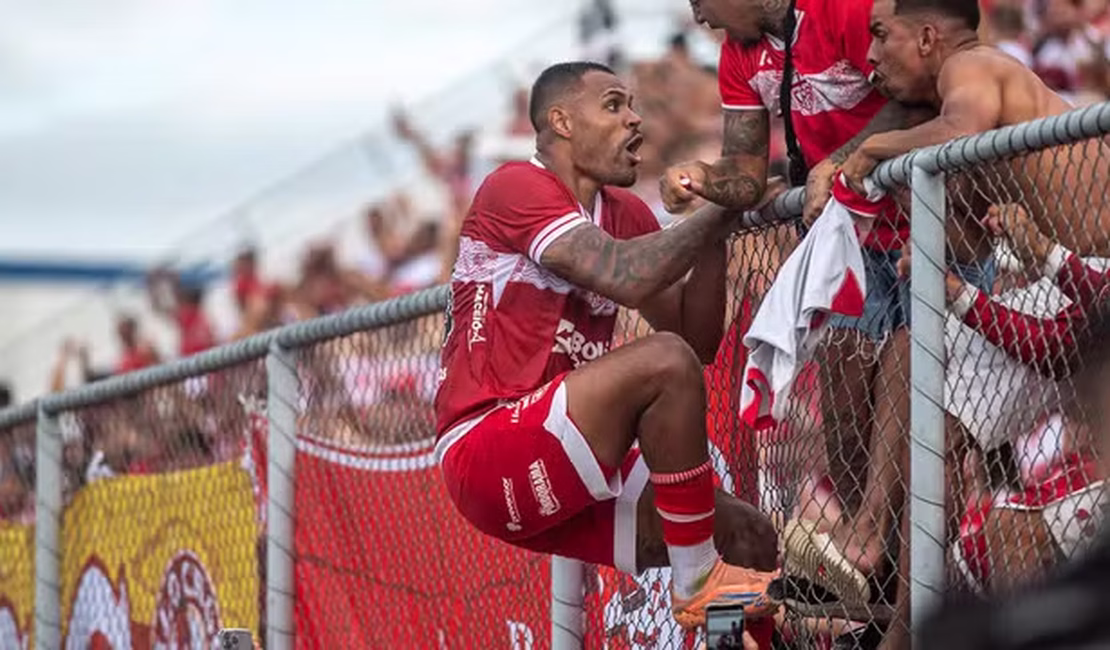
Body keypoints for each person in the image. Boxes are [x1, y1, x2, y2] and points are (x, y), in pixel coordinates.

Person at [433, 61, 780, 630]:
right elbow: (628, 280)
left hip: (568, 443)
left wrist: (715, 221)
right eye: (614, 105)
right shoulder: (515, 186)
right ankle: (695, 582)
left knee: (747, 535)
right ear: (562, 122)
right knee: (659, 359)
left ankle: (722, 609)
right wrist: (724, 209)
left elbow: (698, 342)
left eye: (633, 104)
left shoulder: (626, 212)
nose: (634, 119)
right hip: (488, 446)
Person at [669, 1, 946, 625]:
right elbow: (745, 172)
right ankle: (876, 581)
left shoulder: (840, 8)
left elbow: (918, 90)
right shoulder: (738, 53)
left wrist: (845, 158)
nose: (702, 20)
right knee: (847, 408)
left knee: (913, 372)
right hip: (846, 237)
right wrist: (702, 179)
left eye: (701, 3)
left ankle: (891, 564)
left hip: (920, 215)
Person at [842, 0, 1110, 258]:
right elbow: (975, 248)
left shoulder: (968, 64)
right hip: (1078, 275)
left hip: (1096, 265)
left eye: (882, 36)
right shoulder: (960, 117)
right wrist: (905, 188)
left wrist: (872, 147)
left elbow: (961, 131)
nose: (871, 55)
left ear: (925, 39)